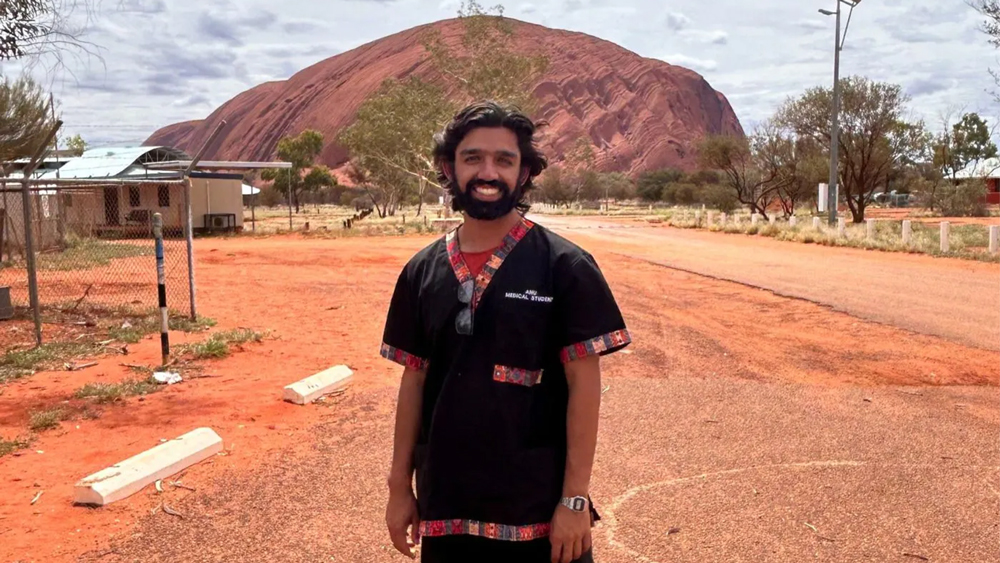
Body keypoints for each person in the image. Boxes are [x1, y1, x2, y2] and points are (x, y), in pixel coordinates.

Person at [380, 100, 631, 563]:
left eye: (504, 160)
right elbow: (413, 383)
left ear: (525, 172)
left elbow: (584, 386)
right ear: (448, 168)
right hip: (447, 506)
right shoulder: (421, 271)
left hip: (540, 515)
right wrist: (400, 488)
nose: (488, 172)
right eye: (473, 158)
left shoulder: (565, 266)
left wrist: (574, 500)